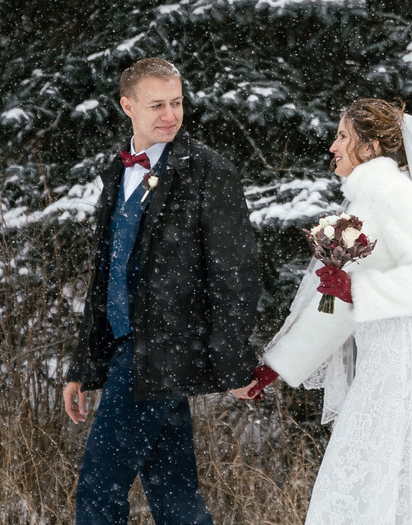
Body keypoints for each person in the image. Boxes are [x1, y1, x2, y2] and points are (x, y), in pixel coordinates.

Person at [236, 99, 412, 525]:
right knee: (371, 482)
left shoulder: (397, 196)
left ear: (370, 146)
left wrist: (357, 289)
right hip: (382, 361)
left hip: (406, 362)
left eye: (343, 136)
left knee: (390, 481)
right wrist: (277, 367)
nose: (333, 146)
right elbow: (339, 308)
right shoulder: (365, 203)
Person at [62, 56, 265, 525]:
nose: (170, 115)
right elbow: (105, 276)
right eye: (157, 105)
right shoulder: (117, 171)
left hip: (163, 351)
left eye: (176, 102)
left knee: (99, 487)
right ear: (127, 106)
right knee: (175, 495)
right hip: (128, 349)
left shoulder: (208, 171)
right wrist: (83, 366)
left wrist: (235, 363)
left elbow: (235, 275)